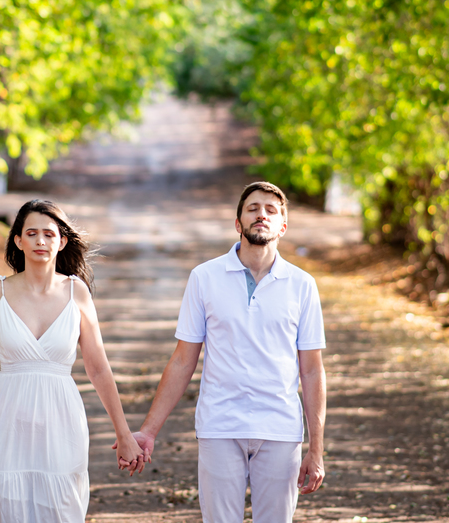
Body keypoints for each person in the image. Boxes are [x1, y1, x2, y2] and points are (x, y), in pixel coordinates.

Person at [128, 181, 327, 523]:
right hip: (219, 425)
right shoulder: (204, 277)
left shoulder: (302, 285)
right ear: (238, 223)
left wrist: (317, 449)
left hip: (279, 428)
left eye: (271, 210)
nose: (261, 215)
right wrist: (148, 430)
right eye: (252, 209)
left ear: (283, 226)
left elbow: (311, 370)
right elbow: (183, 360)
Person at [0, 198, 144, 523]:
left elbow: (98, 368)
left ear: (61, 242)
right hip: (6, 423)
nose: (40, 241)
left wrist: (124, 434)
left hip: (61, 423)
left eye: (49, 234)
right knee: (7, 504)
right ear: (18, 241)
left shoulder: (77, 292)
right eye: (31, 233)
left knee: (61, 509)